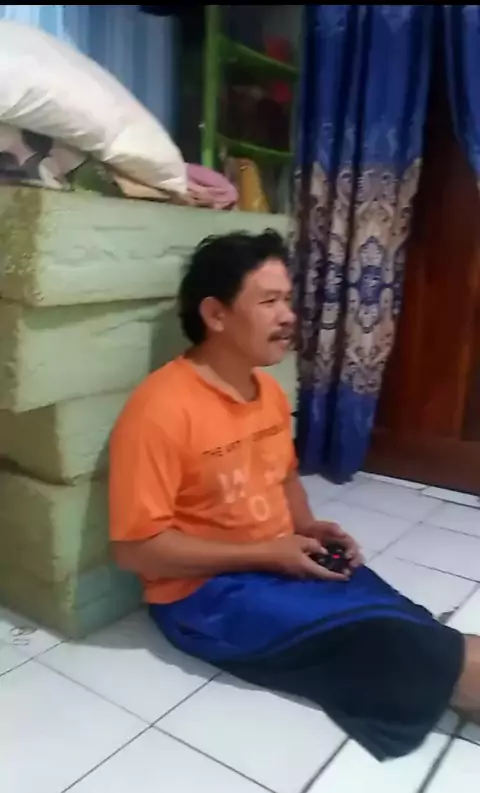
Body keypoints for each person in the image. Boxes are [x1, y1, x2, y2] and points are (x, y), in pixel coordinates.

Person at [109, 230, 479, 761]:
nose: (288, 316)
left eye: (287, 299)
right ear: (215, 314)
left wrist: (306, 527)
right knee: (397, 644)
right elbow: (135, 550)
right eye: (268, 302)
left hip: (279, 561)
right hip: (204, 597)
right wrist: (265, 553)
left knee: (407, 621)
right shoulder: (160, 410)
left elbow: (281, 478)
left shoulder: (268, 394)